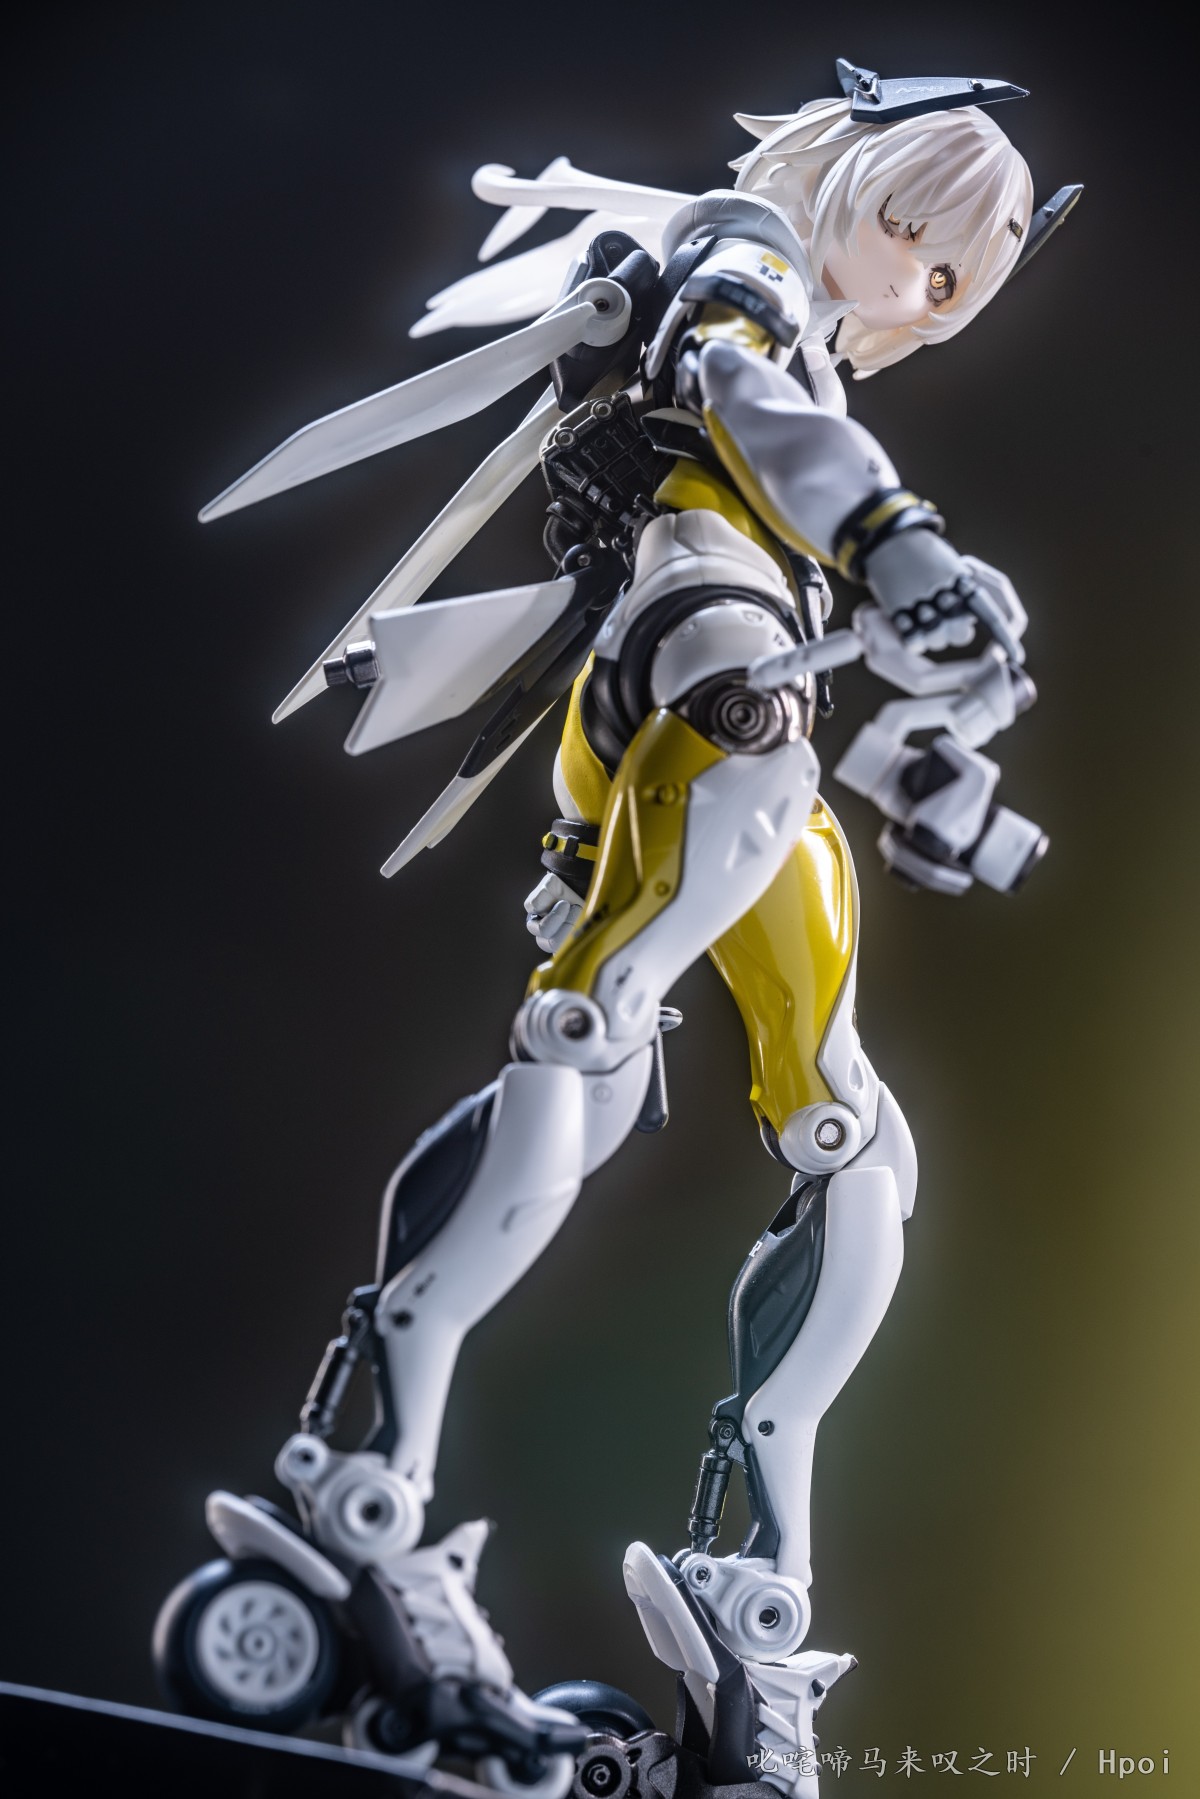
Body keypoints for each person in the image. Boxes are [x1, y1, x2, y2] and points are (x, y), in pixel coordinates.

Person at [180, 60, 1078, 1799]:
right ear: (863, 183)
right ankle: (363, 1487)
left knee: (850, 1141)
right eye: (924, 245)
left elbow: (810, 535)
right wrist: (895, 542)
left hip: (758, 699)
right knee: (594, 1026)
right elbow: (741, 411)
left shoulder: (820, 368)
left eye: (962, 284)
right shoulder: (741, 263)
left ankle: (753, 1605)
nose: (928, 298)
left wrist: (936, 694)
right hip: (695, 670)